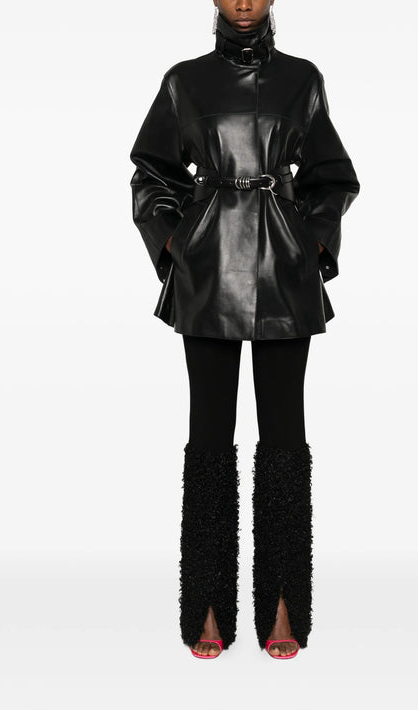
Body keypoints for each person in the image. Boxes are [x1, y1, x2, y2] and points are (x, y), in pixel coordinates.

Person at [129, 0, 360, 660]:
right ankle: (206, 605)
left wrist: (312, 245)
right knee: (209, 434)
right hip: (206, 269)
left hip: (283, 267)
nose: (243, 2)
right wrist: (174, 244)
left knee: (284, 436)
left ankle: (283, 602)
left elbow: (333, 177)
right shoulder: (185, 80)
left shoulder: (302, 79)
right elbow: (151, 172)